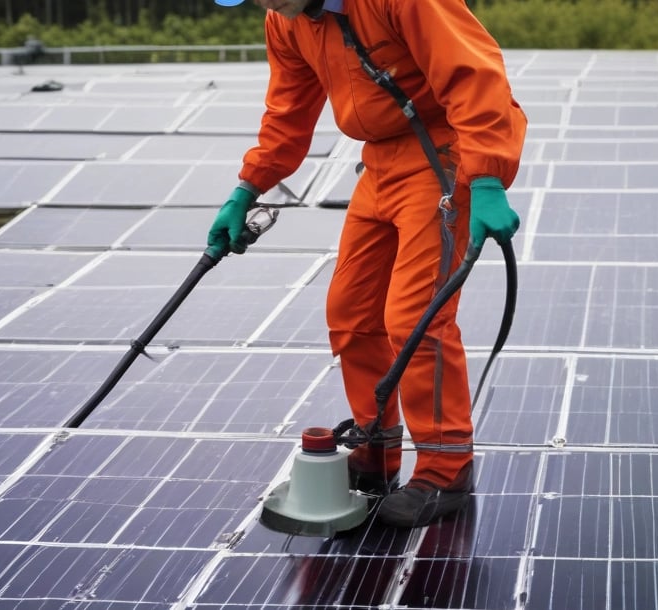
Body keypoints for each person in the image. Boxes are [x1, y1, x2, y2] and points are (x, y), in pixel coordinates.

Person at [207, 0, 527, 527]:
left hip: (442, 156)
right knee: (351, 310)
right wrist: (248, 187)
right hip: (379, 164)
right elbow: (288, 110)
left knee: (416, 318)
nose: (266, 4)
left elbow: (472, 73)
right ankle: (377, 451)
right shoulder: (286, 19)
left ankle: (446, 468)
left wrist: (487, 176)